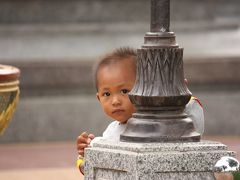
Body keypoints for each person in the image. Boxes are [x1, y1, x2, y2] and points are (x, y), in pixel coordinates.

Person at [76, 47, 204, 174]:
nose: (115, 101)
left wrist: (178, 98)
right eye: (107, 94)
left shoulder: (157, 120)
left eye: (124, 91)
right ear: (99, 98)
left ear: (145, 88)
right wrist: (87, 152)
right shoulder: (111, 131)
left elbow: (193, 124)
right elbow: (99, 169)